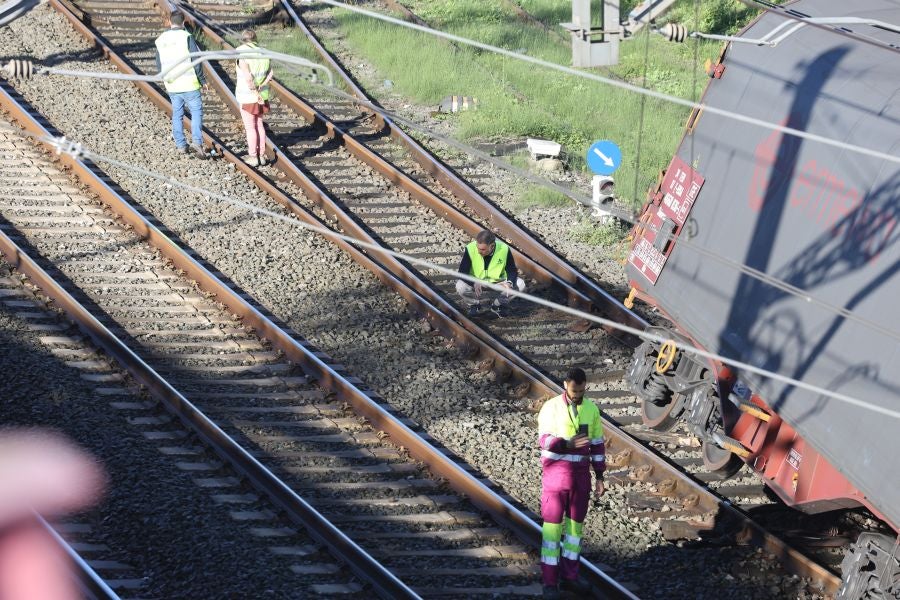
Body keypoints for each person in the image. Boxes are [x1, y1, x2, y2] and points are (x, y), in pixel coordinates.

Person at [537, 367, 605, 599]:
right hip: (556, 478)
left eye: (582, 390)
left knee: (575, 532)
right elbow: (544, 440)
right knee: (552, 530)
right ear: (566, 384)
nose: (578, 394)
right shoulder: (551, 407)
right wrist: (566, 445)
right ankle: (549, 582)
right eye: (575, 390)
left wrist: (600, 475)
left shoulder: (591, 409)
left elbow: (597, 444)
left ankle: (570, 577)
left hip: (581, 479)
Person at [154, 12, 207, 158]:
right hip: (189, 83)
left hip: (172, 84)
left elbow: (158, 63)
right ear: (183, 23)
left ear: (170, 22)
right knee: (196, 112)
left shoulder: (160, 39)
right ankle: (197, 141)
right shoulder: (186, 36)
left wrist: (164, 77)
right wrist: (202, 80)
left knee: (177, 114)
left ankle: (181, 145)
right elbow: (196, 60)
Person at [455, 229, 526, 317]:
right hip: (478, 282)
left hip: (499, 282)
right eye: (478, 247)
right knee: (460, 286)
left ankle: (497, 305)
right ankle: (474, 305)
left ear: (492, 246)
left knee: (520, 284)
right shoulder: (470, 248)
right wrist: (473, 282)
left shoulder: (504, 249)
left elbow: (511, 270)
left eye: (482, 249)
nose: (478, 251)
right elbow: (462, 272)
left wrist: (509, 283)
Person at [234, 30, 274, 167]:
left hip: (247, 95)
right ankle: (262, 155)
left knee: (250, 127)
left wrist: (254, 89)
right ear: (255, 39)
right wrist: (262, 85)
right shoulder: (264, 52)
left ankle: (253, 156)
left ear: (243, 40)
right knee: (259, 125)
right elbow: (270, 73)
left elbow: (248, 78)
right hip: (262, 95)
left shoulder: (242, 54)